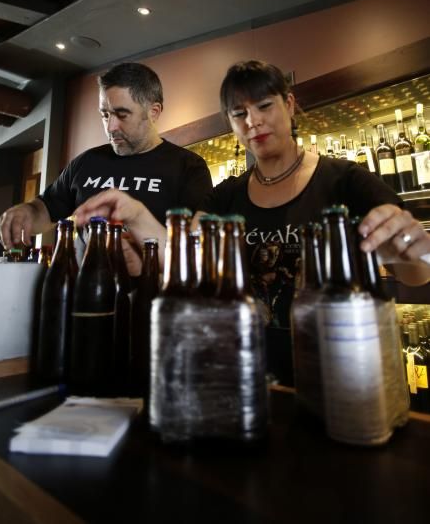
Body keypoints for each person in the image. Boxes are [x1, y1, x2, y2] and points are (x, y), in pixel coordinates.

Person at [73, 60, 430, 384]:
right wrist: (134, 213)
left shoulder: (345, 179)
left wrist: (407, 248)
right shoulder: (228, 196)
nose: (252, 121)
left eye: (264, 106)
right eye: (238, 113)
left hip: (341, 372)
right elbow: (180, 258)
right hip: (252, 374)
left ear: (289, 105)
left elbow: (418, 274)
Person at [0, 62, 213, 256]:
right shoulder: (85, 163)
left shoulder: (188, 167)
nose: (110, 127)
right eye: (105, 114)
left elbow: (196, 248)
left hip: (151, 295)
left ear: (154, 112)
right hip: (86, 292)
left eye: (122, 114)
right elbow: (45, 209)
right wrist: (25, 213)